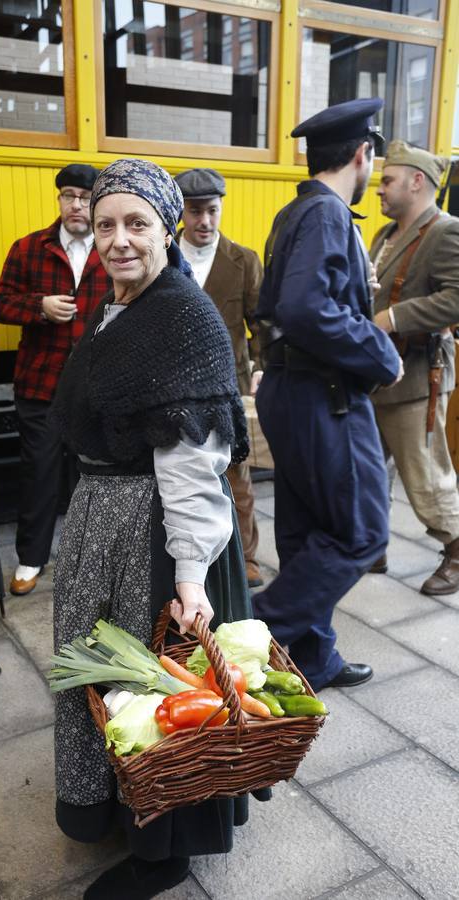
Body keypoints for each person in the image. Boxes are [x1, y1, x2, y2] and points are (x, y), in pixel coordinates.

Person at [50, 158, 267, 899]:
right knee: (109, 685)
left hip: (156, 533)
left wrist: (188, 575)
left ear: (166, 229)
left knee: (155, 685)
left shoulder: (183, 318)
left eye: (136, 223)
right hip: (104, 521)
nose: (117, 239)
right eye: (106, 223)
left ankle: (165, 850)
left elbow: (191, 465)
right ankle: (119, 799)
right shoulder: (120, 302)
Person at [252, 98, 403, 692]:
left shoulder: (295, 213)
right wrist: (380, 353)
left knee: (305, 532)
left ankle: (313, 660)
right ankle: (252, 634)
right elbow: (304, 306)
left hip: (294, 389)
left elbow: (282, 309)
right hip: (322, 394)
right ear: (362, 154)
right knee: (361, 533)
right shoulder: (327, 215)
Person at [0, 164, 111, 597]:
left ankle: (86, 564)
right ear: (58, 199)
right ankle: (31, 558)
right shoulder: (29, 248)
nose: (76, 204)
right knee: (37, 474)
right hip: (39, 385)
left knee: (91, 479)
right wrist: (38, 307)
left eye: (84, 196)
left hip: (95, 390)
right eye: (68, 196)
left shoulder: (113, 247)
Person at [370, 141, 459, 594]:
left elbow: (457, 297)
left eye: (388, 180)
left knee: (424, 473)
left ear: (417, 181)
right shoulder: (385, 237)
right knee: (369, 470)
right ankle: (373, 546)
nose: (379, 189)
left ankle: (457, 548)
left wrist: (393, 318)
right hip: (380, 377)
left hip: (420, 377)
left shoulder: (446, 231)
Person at [175, 167, 264, 588]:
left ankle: (247, 557)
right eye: (195, 212)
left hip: (229, 385)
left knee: (237, 473)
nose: (205, 222)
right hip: (174, 386)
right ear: (182, 212)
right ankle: (184, 561)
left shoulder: (243, 261)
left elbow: (260, 323)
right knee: (176, 473)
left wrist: (262, 368)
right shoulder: (162, 255)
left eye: (212, 211)